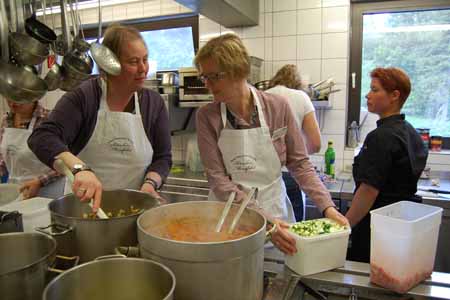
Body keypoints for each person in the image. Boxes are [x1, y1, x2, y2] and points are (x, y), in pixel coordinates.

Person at [195, 34, 348, 255]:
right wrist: (265, 221)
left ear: (239, 71)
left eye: (214, 77)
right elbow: (218, 181)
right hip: (229, 219)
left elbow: (300, 163)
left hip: (276, 213)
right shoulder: (207, 116)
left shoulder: (277, 107)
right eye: (204, 77)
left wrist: (327, 206)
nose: (207, 85)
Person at [28, 24, 172, 211]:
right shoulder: (84, 98)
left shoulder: (154, 104)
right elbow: (42, 137)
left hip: (136, 209)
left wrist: (150, 184)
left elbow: (163, 158)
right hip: (86, 210)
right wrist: (80, 169)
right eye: (134, 62)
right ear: (109, 64)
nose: (143, 69)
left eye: (145, 59)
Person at [346, 67, 428, 263]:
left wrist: (344, 225)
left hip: (376, 227)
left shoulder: (381, 137)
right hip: (401, 225)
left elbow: (368, 191)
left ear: (394, 95)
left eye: (375, 90)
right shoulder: (410, 132)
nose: (367, 95)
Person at [266, 64, 321, 221]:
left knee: (268, 231)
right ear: (297, 82)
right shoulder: (301, 97)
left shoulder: (261, 96)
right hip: (292, 174)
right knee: (293, 233)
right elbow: (315, 144)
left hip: (266, 177)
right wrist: (297, 152)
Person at [0, 98, 64, 199]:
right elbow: (4, 156)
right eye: (9, 98)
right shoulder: (6, 119)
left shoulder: (50, 119)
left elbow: (65, 163)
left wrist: (39, 182)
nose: (12, 103)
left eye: (18, 98)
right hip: (17, 190)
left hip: (46, 192)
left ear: (33, 95)